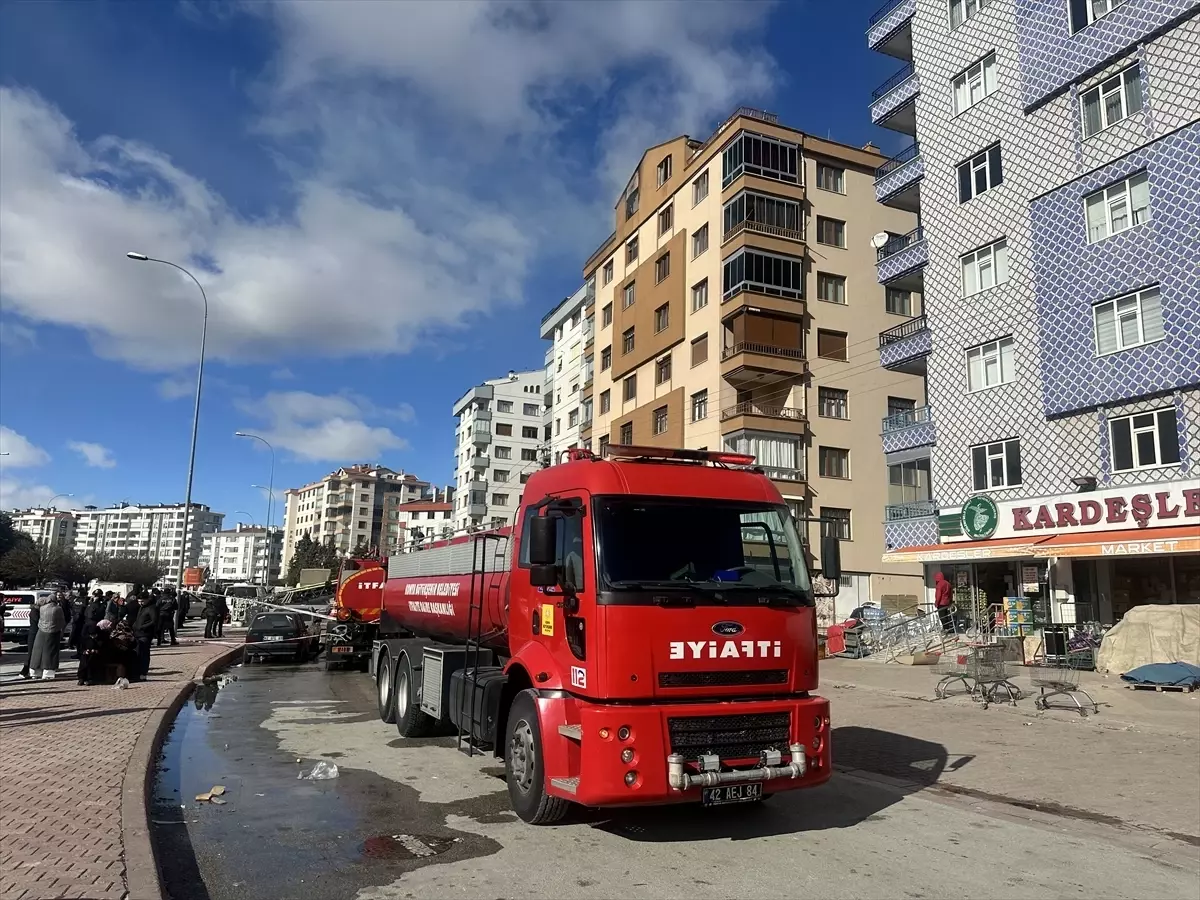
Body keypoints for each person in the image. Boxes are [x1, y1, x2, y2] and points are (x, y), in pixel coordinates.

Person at [29, 593, 66, 680]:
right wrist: (60, 629)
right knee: (50, 652)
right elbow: (62, 621)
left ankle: (35, 671)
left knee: (38, 651)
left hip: (41, 631)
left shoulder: (42, 608)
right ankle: (48, 673)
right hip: (53, 632)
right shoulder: (58, 609)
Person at [132, 592, 160, 679]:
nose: (140, 603)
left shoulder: (152, 608)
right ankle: (137, 672)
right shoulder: (141, 608)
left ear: (147, 599)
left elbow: (154, 621)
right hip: (137, 633)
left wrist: (142, 627)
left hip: (145, 634)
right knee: (138, 653)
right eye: (139, 601)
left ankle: (143, 673)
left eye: (142, 601)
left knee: (144, 653)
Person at [18, 599, 41, 680]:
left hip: (34, 633)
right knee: (31, 654)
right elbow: (37, 621)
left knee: (33, 654)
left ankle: (30, 671)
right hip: (33, 634)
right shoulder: (35, 611)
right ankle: (24, 671)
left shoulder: (35, 610)